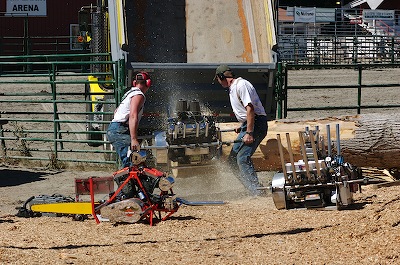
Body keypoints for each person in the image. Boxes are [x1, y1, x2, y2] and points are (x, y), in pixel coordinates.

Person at [214, 64, 268, 196]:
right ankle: (251, 188)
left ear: (221, 77)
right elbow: (246, 111)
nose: (218, 82)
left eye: (218, 79)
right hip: (249, 124)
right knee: (232, 161)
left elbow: (250, 108)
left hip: (256, 124)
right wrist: (243, 124)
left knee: (243, 158)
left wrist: (249, 132)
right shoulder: (233, 88)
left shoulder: (241, 85)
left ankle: (256, 191)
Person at [106, 71, 152, 168]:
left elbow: (116, 112)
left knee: (133, 161)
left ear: (135, 83)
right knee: (132, 161)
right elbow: (133, 115)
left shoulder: (129, 93)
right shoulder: (139, 95)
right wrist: (134, 139)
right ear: (148, 83)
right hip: (119, 130)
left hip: (115, 129)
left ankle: (129, 181)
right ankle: (126, 182)